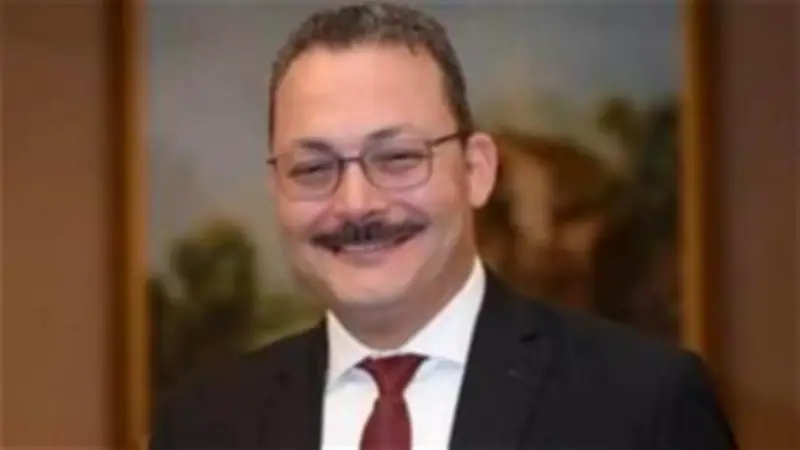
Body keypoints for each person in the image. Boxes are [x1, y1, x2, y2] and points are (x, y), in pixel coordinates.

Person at [150, 2, 737, 449]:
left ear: (477, 171)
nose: (356, 204)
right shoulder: (200, 427)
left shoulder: (643, 408)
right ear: (277, 188)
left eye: (397, 157)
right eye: (313, 168)